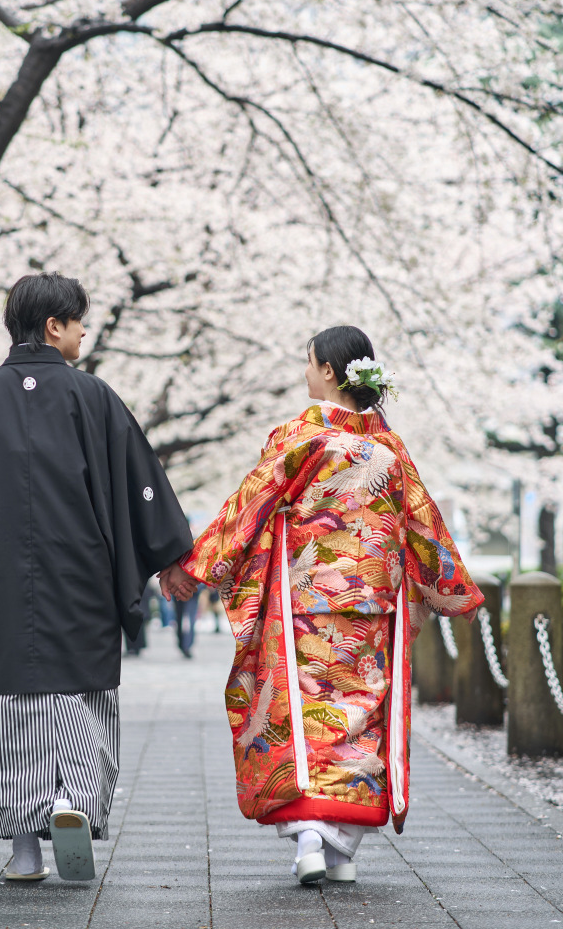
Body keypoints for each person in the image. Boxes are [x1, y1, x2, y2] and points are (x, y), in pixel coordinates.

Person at [0, 272, 194, 884]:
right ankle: (71, 801)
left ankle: (24, 850)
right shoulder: (94, 398)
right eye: (79, 320)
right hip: (80, 576)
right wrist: (170, 556)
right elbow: (141, 487)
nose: (85, 330)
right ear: (54, 327)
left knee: (8, 707)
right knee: (75, 696)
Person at [160, 325, 483, 886]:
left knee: (306, 718)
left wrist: (194, 567)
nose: (305, 371)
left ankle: (312, 837)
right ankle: (342, 849)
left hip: (307, 601)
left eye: (309, 361)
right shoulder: (391, 448)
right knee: (361, 716)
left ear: (331, 372)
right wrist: (454, 591)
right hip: (372, 608)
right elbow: (423, 525)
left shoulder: (298, 437)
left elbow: (249, 507)